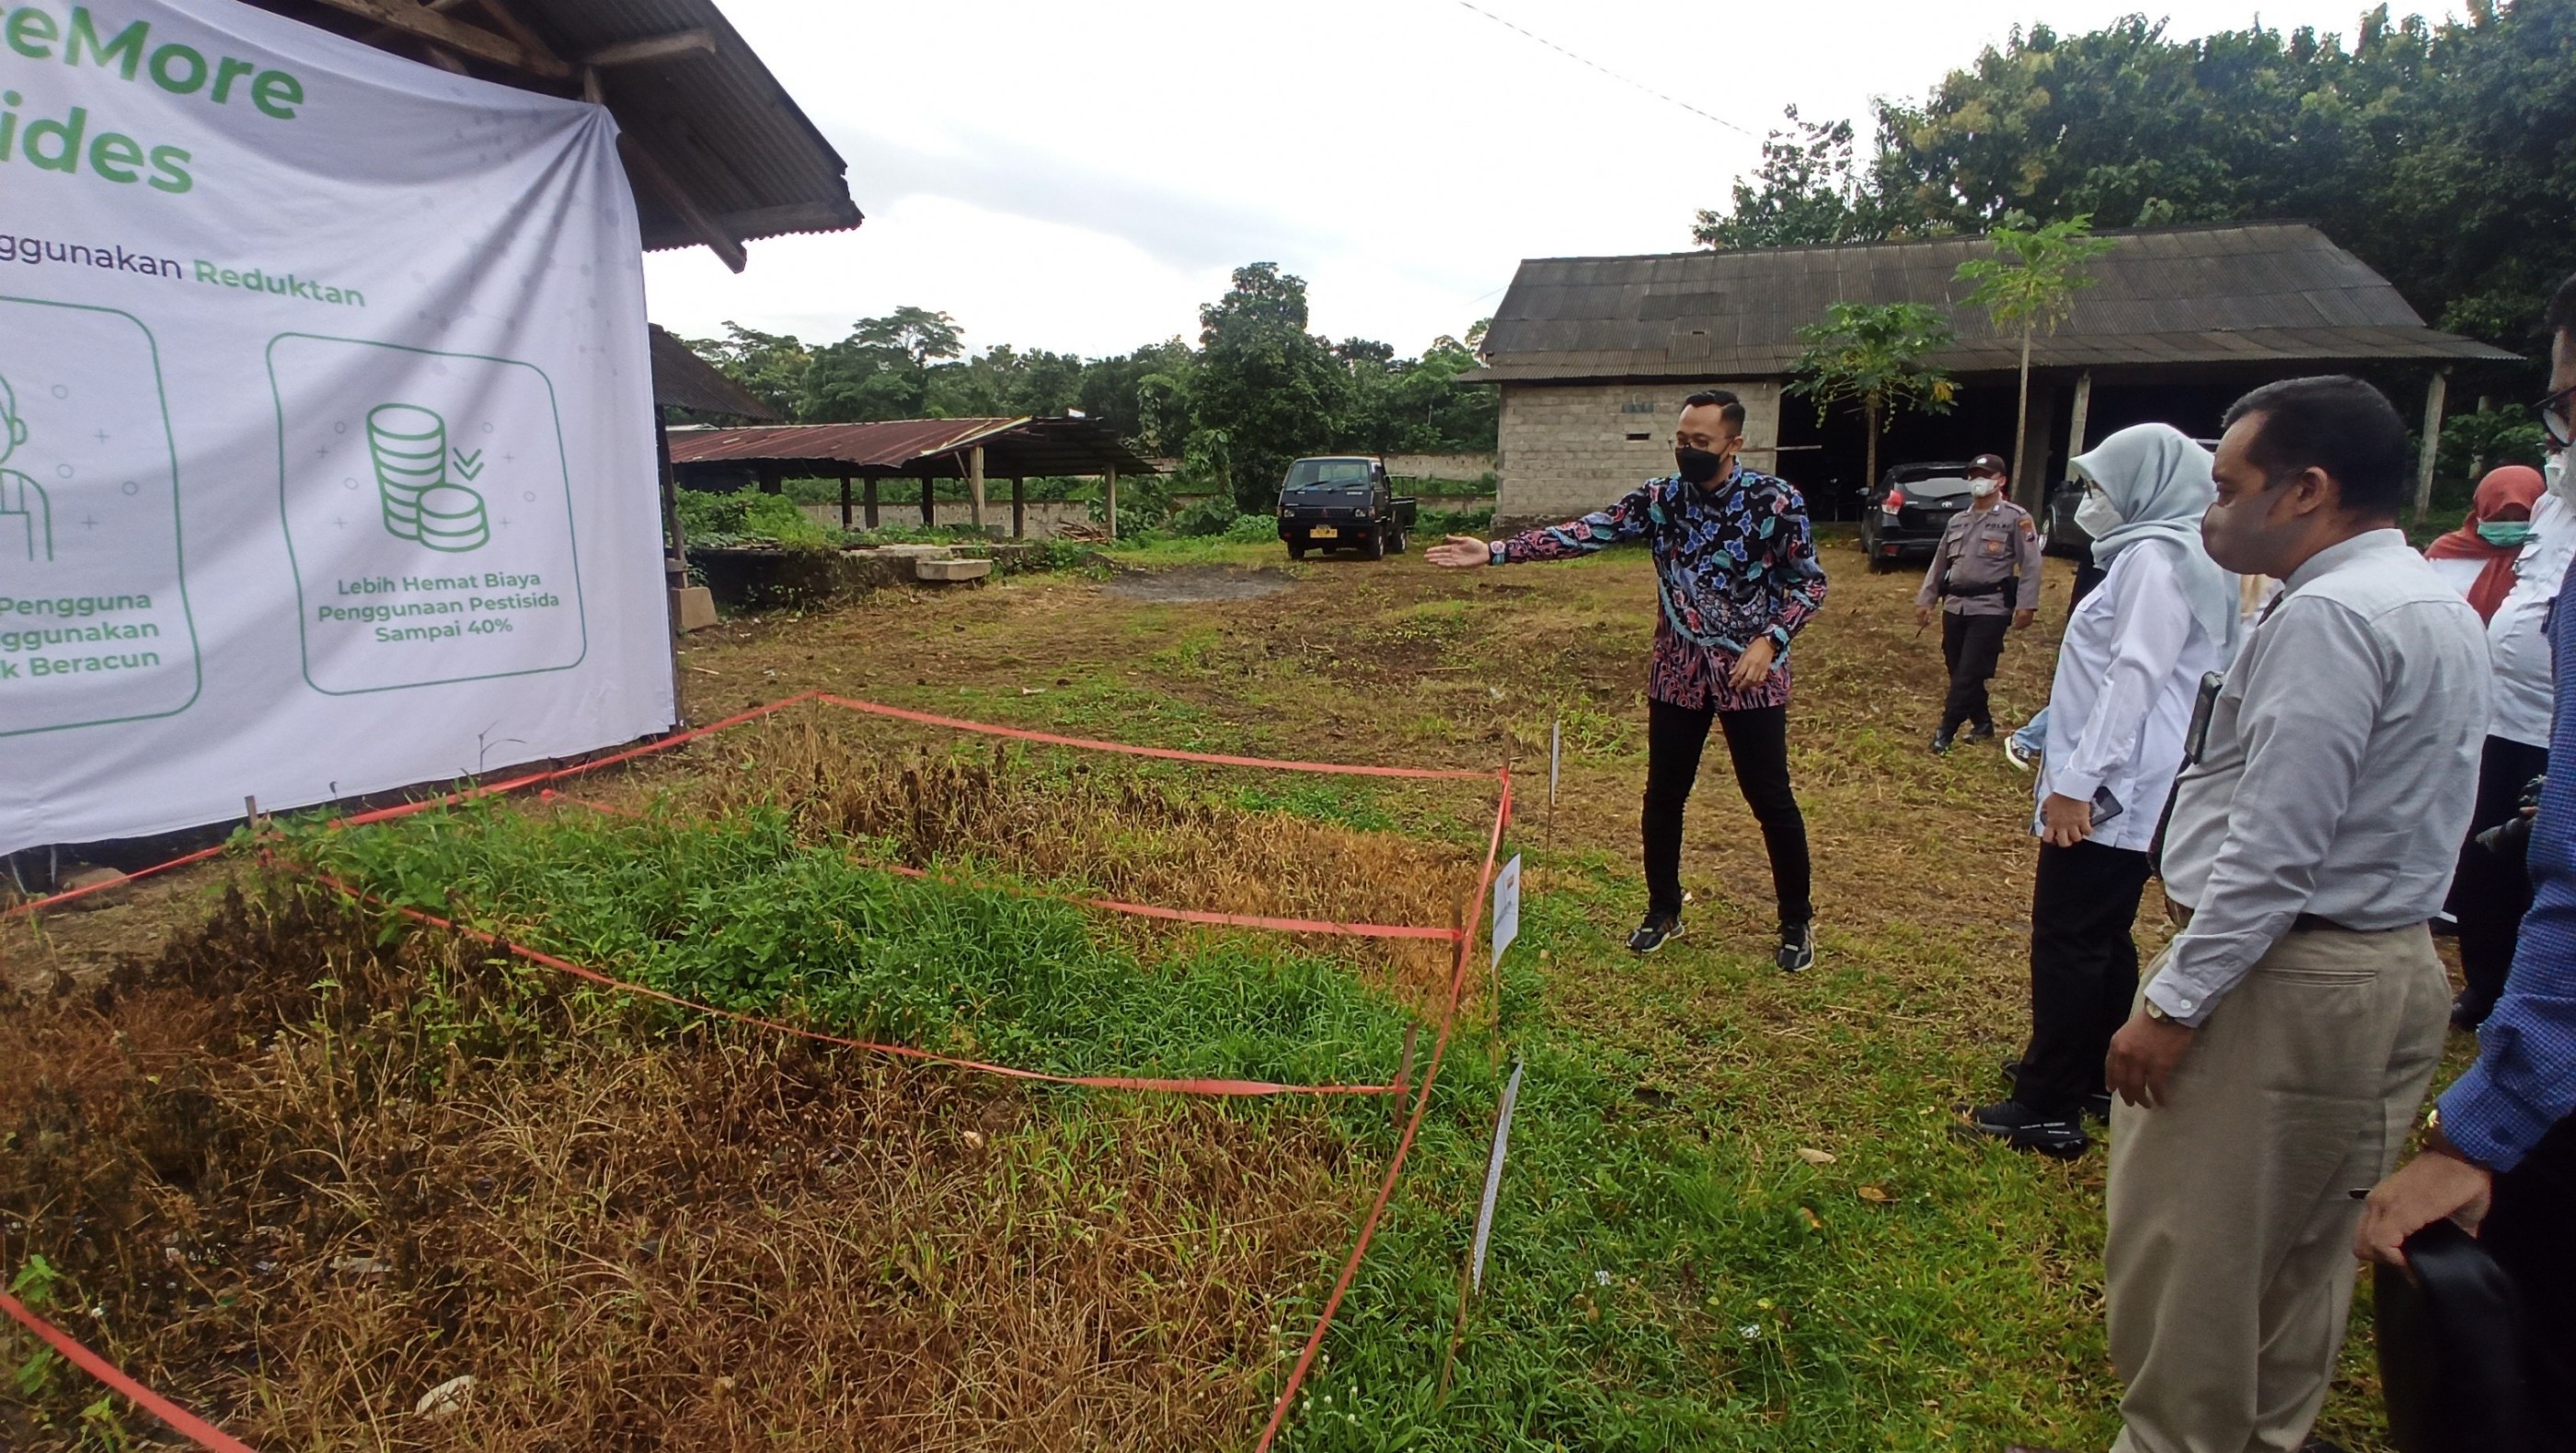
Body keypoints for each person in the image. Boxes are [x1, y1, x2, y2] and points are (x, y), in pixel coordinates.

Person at [2097, 375, 2489, 1453]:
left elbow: (2272, 854)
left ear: (2306, 489)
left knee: (2195, 1276)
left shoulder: (2327, 619)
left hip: (2282, 983)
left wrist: (2172, 1003)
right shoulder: (2425, 599)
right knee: (2295, 1273)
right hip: (2384, 968)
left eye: (2227, 486)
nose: (2208, 510)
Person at [2356, 274, 2576, 1452]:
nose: (2560, 435)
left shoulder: (2353, 615)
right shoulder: (2450, 579)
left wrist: (2493, 1119)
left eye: (2568, 402)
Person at [1425, 390, 1826, 970]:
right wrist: (1495, 552)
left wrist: (1771, 640)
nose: (1687, 451)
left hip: (1750, 674)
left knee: (1770, 798)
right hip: (1678, 672)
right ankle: (1663, 909)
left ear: (1734, 444)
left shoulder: (1776, 501)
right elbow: (1588, 532)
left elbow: (1809, 584)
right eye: (1681, 440)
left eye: (1701, 443)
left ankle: (1796, 921)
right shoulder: (1662, 499)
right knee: (1664, 795)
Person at [1965, 425, 2234, 1159]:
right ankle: (2090, 1074)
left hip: (2115, 788)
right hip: (2136, 780)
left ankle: (2046, 1107)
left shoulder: (2155, 557)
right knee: (2102, 936)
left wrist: (2077, 786)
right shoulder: (2181, 551)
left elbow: (2134, 677)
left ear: (2149, 485)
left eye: (2102, 488)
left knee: (2068, 940)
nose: (2091, 502)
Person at [2422, 463, 2564, 1029]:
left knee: (2544, 866)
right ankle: (2485, 984)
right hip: (2494, 723)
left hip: (2555, 733)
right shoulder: (2552, 516)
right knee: (2485, 856)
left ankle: (2535, 993)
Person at [1915, 454, 2041, 752]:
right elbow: (1940, 561)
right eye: (1972, 475)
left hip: (1990, 606)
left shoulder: (2015, 518)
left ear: (2001, 480)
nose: (1977, 481)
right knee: (1957, 667)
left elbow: (2031, 564)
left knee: (1970, 670)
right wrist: (1927, 599)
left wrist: (2027, 604)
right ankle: (1982, 721)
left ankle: (1945, 731)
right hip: (1955, 605)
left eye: (1984, 475)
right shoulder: (1959, 520)